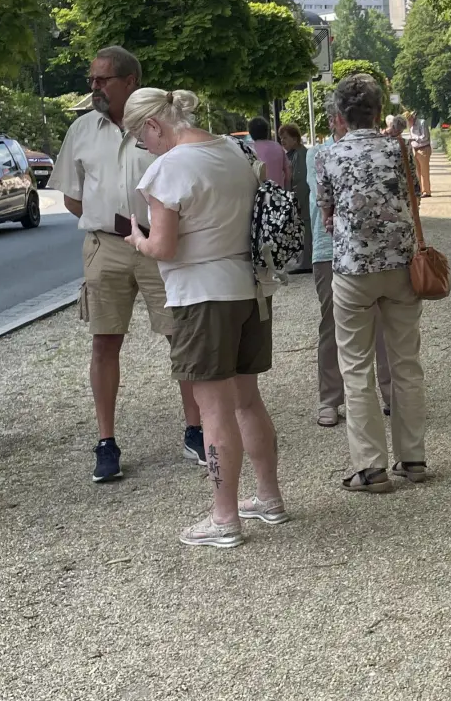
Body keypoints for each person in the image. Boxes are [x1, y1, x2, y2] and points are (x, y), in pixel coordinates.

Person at [121, 88, 286, 549]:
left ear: (154, 125)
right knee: (247, 401)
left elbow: (165, 248)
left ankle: (224, 517)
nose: (144, 146)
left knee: (212, 409)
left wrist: (137, 239)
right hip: (249, 289)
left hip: (200, 296)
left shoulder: (169, 169)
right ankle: (268, 498)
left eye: (140, 136)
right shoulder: (234, 151)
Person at [54, 45, 202, 483]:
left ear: (130, 81)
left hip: (161, 241)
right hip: (107, 244)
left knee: (181, 334)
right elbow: (71, 195)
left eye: (103, 80)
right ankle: (106, 442)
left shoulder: (160, 125)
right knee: (104, 341)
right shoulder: (81, 129)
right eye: (92, 79)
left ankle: (195, 428)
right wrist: (108, 218)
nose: (93, 87)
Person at [315, 74, 428, 493]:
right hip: (402, 267)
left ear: (341, 116)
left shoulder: (327, 156)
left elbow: (327, 215)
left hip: (352, 269)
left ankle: (371, 468)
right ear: (378, 112)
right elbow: (414, 194)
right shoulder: (398, 148)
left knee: (357, 368)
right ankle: (413, 459)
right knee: (405, 363)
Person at [308, 96, 396, 428]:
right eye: (343, 119)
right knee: (332, 325)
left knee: (382, 325)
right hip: (330, 250)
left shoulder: (379, 150)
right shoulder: (319, 155)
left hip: (372, 250)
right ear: (334, 121)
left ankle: (390, 394)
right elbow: (326, 205)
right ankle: (330, 398)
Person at [278, 124, 313, 274]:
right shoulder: (295, 153)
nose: (282, 141)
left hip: (302, 199)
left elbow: (299, 180)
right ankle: (303, 260)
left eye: (285, 137)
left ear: (295, 138)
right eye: (281, 138)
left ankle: (305, 262)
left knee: (305, 228)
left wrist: (296, 200)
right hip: (300, 198)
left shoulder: (299, 155)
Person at [247, 117, 290, 187]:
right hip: (279, 192)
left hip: (260, 194)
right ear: (267, 131)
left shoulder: (250, 149)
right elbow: (288, 171)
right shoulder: (277, 146)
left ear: (251, 133)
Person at [407, 112, 433, 197]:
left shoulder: (422, 122)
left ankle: (426, 191)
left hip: (423, 148)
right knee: (417, 172)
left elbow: (425, 136)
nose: (408, 123)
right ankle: (420, 190)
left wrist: (414, 138)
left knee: (424, 171)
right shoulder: (410, 126)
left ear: (412, 118)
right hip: (415, 149)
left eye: (408, 121)